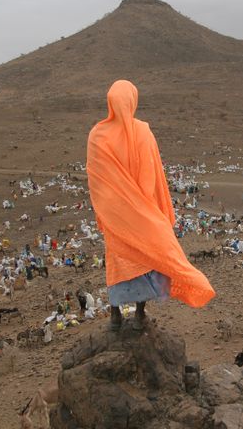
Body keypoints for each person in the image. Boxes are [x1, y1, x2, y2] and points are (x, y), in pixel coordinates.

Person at [86, 81, 215, 331]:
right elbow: (151, 176)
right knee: (148, 256)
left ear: (110, 102)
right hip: (142, 211)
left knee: (118, 259)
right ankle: (140, 314)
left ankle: (115, 315)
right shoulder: (143, 132)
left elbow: (97, 180)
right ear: (133, 101)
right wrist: (146, 208)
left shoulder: (97, 135)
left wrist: (109, 208)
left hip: (114, 215)